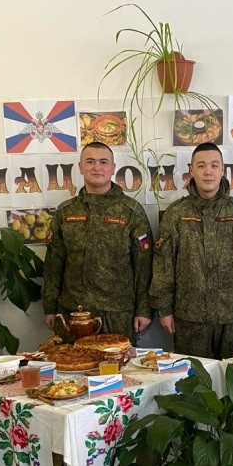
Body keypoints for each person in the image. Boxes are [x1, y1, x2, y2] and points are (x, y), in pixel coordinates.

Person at [149, 142, 233, 359]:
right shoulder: (176, 213)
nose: (208, 171)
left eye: (214, 165)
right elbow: (163, 264)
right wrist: (164, 309)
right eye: (201, 166)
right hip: (190, 317)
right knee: (194, 378)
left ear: (223, 169)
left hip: (232, 316)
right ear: (191, 170)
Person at [42, 142, 153, 342]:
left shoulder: (131, 211)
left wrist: (144, 310)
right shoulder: (65, 212)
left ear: (113, 168)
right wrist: (50, 307)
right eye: (90, 162)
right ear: (80, 167)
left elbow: (144, 265)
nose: (97, 167)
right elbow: (53, 265)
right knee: (72, 362)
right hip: (73, 313)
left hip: (118, 314)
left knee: (117, 362)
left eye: (103, 162)